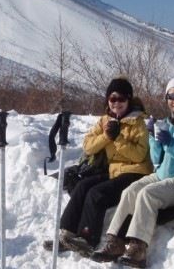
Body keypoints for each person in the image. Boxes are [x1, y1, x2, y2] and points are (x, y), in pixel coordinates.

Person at [92, 74, 174, 268]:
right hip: (161, 174)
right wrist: (153, 138)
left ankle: (138, 248)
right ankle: (114, 241)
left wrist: (173, 143)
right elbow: (157, 159)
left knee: (148, 194)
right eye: (170, 96)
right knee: (130, 191)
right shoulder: (167, 123)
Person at [57, 77, 153, 256]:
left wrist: (118, 138)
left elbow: (139, 155)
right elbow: (88, 146)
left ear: (129, 99)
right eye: (112, 99)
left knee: (97, 193)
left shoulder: (139, 122)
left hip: (136, 172)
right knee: (82, 186)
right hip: (114, 171)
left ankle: (87, 238)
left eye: (121, 99)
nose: (116, 103)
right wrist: (107, 136)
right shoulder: (104, 121)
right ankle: (66, 235)